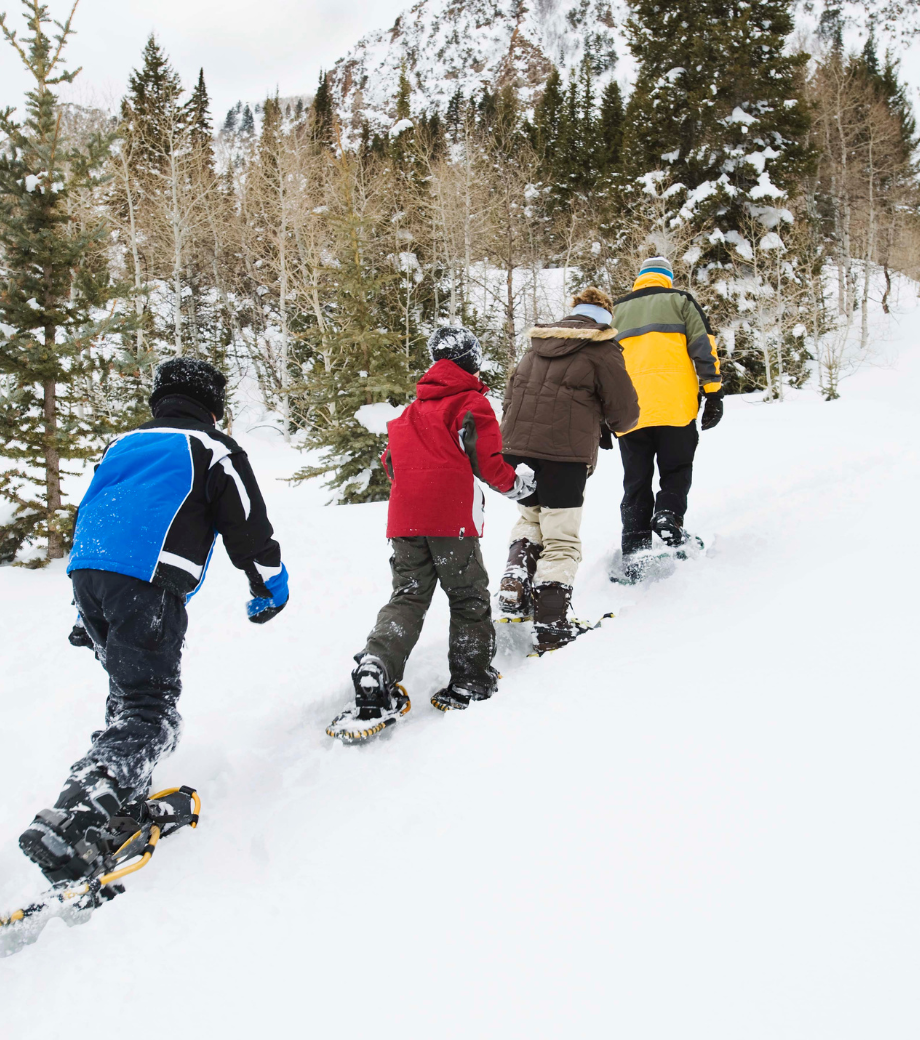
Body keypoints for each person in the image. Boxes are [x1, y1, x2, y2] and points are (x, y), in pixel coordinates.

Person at [19, 358, 288, 884]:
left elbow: (96, 510)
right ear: (213, 405)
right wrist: (268, 587)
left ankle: (117, 803)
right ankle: (79, 815)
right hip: (145, 581)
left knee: (128, 696)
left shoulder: (124, 445)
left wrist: (85, 609)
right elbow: (249, 527)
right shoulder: (213, 447)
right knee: (151, 712)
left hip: (90, 575)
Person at [327, 327, 534, 742]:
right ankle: (470, 679)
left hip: (404, 521)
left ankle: (377, 665)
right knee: (468, 595)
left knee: (407, 596)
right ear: (471, 360)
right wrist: (518, 486)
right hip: (451, 519)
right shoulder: (470, 402)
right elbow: (489, 460)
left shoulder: (409, 411)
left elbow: (390, 463)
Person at [498, 287, 640, 652]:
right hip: (563, 457)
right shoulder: (602, 349)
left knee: (531, 518)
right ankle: (551, 624)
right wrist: (607, 423)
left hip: (516, 451)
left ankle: (515, 577)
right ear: (606, 318)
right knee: (561, 536)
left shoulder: (537, 345)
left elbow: (510, 396)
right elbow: (625, 413)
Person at [612, 257, 723, 582]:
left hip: (630, 414)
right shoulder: (681, 301)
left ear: (641, 279)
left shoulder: (616, 312)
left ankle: (633, 558)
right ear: (667, 278)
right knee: (675, 470)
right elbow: (704, 346)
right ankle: (668, 516)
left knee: (635, 482)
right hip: (676, 407)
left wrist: (603, 415)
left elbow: (602, 365)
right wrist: (713, 392)